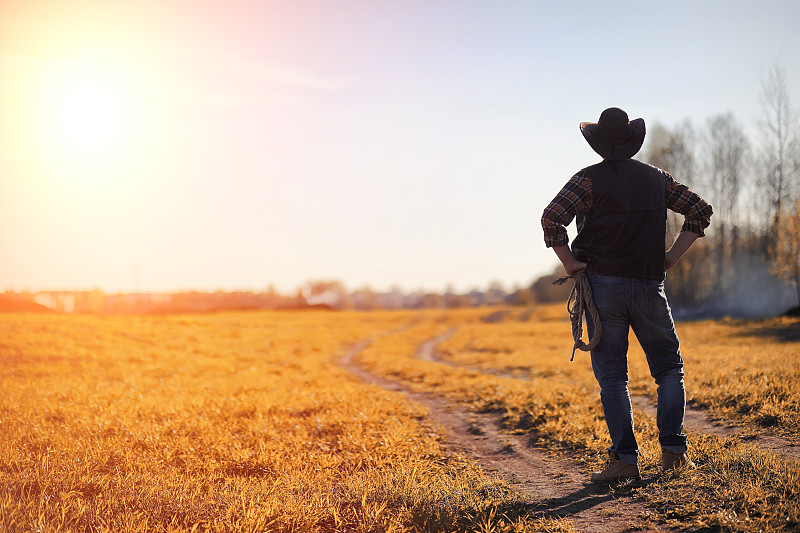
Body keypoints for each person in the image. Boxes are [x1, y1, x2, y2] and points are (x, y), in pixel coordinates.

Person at [541, 107, 713, 483]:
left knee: (614, 379)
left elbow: (552, 217)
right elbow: (700, 211)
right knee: (669, 370)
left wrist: (569, 261)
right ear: (633, 141)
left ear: (599, 143)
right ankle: (674, 455)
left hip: (603, 288)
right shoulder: (658, 179)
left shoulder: (586, 180)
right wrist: (671, 256)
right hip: (650, 285)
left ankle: (624, 462)